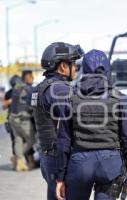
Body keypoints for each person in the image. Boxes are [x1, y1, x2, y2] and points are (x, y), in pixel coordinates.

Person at [55, 49, 127, 200]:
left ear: (83, 69)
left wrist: (60, 177)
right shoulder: (119, 98)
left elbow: (63, 141)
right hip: (110, 164)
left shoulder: (71, 98)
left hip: (80, 164)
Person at [31, 42, 84, 200]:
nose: (76, 68)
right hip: (59, 157)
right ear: (62, 66)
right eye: (73, 64)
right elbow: (74, 121)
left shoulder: (41, 87)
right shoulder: (60, 89)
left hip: (49, 155)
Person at [8, 70, 35, 171]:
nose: (33, 79)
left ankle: (18, 160)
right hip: (22, 119)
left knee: (18, 139)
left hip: (12, 118)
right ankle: (18, 158)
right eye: (31, 77)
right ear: (27, 77)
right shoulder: (28, 89)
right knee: (31, 140)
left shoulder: (16, 88)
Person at [3, 75, 22, 169]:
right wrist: (12, 100)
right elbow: (4, 106)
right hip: (12, 119)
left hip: (23, 119)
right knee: (14, 140)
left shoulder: (23, 91)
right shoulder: (9, 93)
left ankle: (26, 160)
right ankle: (16, 160)